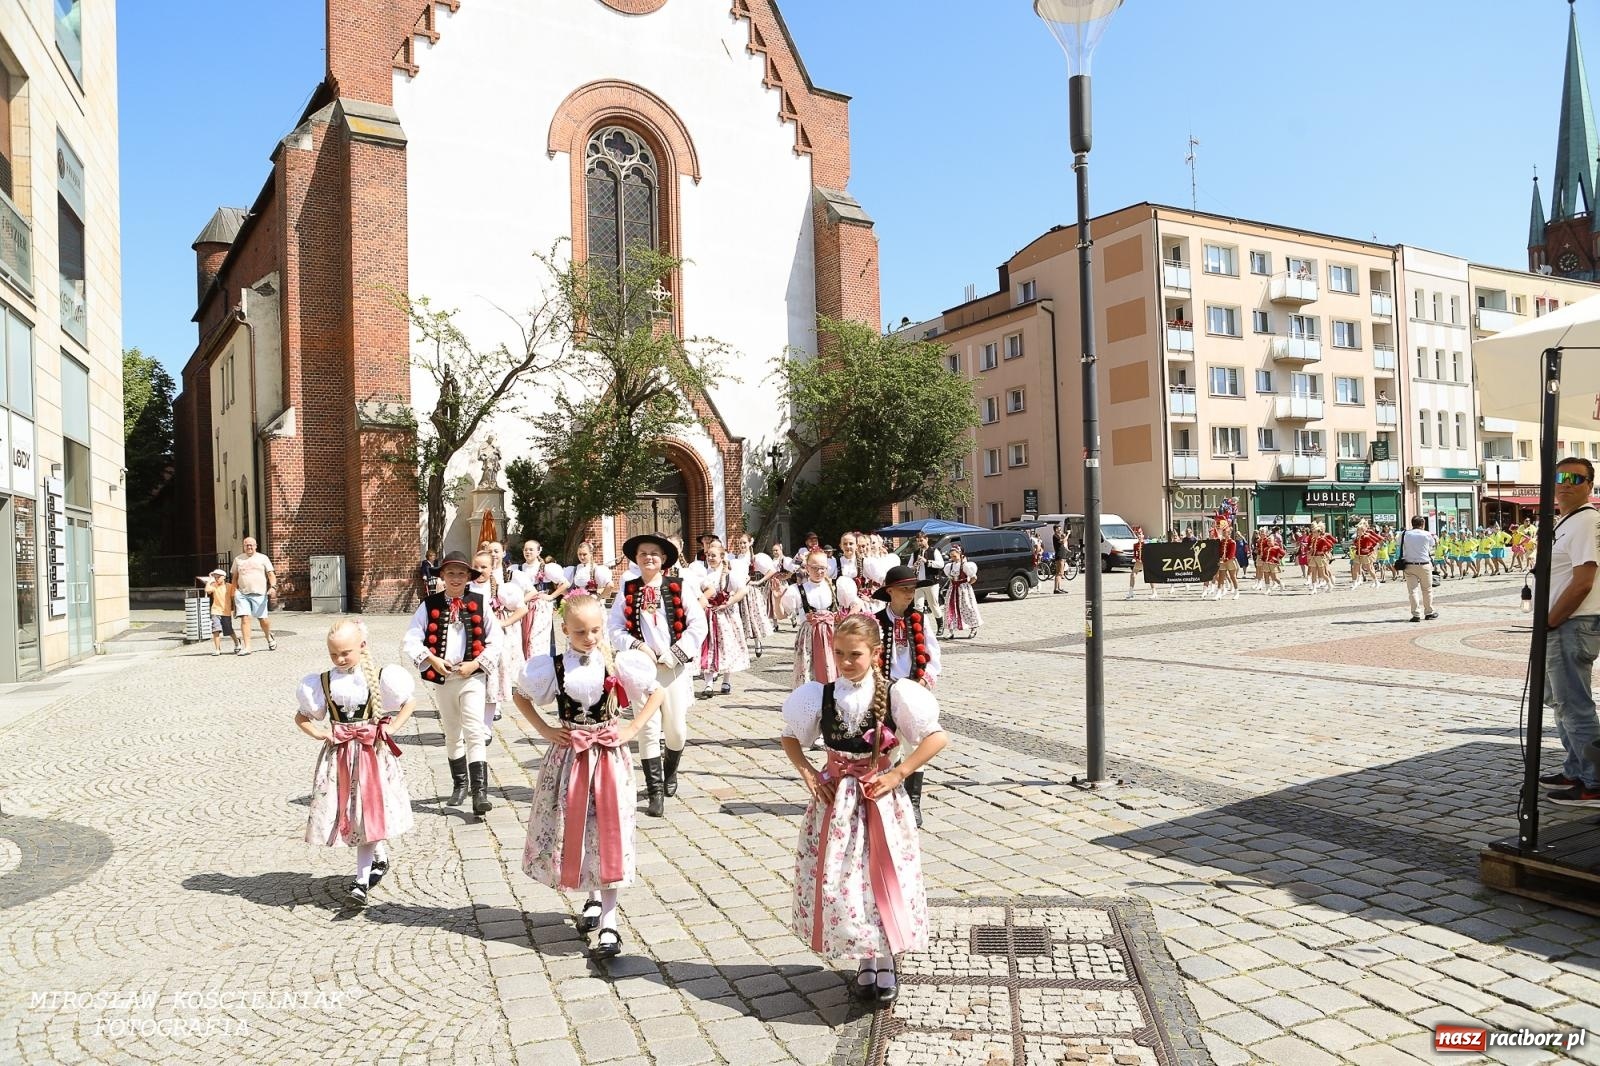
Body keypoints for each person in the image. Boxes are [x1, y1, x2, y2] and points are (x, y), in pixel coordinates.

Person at [781, 615, 947, 1005]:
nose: (845, 661)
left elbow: (937, 737)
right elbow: (790, 737)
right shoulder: (819, 695)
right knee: (847, 882)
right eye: (839, 653)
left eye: (854, 654)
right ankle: (864, 962)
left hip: (880, 802)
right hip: (837, 804)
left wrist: (898, 773)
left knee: (882, 877)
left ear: (875, 653)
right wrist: (809, 773)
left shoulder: (895, 694)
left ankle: (887, 960)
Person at [513, 595, 666, 958]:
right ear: (564, 630)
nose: (590, 637)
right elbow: (520, 696)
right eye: (580, 631)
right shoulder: (552, 667)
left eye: (596, 630)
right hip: (569, 759)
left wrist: (632, 731)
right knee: (578, 828)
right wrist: (546, 730)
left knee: (609, 833)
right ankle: (593, 899)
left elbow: (656, 693)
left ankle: (611, 922)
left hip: (610, 758)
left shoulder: (620, 664)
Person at [296, 617, 416, 905]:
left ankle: (361, 882)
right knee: (353, 811)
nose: (339, 659)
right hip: (340, 758)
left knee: (365, 811)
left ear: (362, 646)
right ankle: (380, 856)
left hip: (371, 755)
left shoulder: (380, 676)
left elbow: (409, 702)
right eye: (334, 654)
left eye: (345, 652)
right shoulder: (324, 682)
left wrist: (392, 728)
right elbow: (301, 716)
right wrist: (319, 733)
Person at [606, 533, 708, 817]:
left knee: (675, 729)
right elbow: (614, 628)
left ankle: (670, 771)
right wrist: (637, 646)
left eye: (654, 553)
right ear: (636, 559)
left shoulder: (679, 587)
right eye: (643, 554)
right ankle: (655, 792)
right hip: (642, 669)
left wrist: (677, 652)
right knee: (647, 728)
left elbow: (698, 625)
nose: (648, 558)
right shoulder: (627, 589)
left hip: (672, 667)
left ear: (663, 559)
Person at [402, 551, 503, 816]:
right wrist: (432, 659)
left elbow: (496, 640)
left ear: (469, 577)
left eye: (461, 573)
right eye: (450, 573)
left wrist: (477, 663)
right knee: (451, 730)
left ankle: (480, 792)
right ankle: (460, 785)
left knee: (474, 728)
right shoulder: (429, 605)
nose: (456, 578)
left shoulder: (481, 603)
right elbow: (411, 640)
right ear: (442, 577)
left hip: (472, 677)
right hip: (444, 678)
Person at [1539, 458, 1600, 807]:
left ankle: (1594, 782)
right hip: (1564, 623)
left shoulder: (1586, 522)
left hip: (1570, 624)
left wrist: (1551, 620)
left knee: (1575, 706)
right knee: (1559, 701)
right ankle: (1576, 769)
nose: (1564, 483)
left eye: (1575, 478)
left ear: (1589, 485)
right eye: (1559, 476)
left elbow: (1583, 581)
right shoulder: (1568, 521)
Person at [871, 565, 942, 828]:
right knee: (889, 745)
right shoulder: (876, 620)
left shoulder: (920, 620)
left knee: (916, 744)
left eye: (912, 590)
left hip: (913, 690)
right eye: (904, 590)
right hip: (886, 693)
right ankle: (888, 795)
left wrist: (925, 678)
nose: (909, 594)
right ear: (889, 591)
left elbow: (933, 656)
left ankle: (913, 801)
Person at [780, 550, 861, 686]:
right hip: (809, 637)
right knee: (810, 672)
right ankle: (812, 700)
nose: (819, 572)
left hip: (833, 635)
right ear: (807, 568)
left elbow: (857, 603)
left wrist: (846, 621)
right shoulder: (798, 590)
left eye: (822, 568)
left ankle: (833, 700)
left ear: (827, 568)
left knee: (834, 667)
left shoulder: (836, 587)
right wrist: (777, 599)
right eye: (814, 568)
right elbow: (781, 614)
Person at [473, 548, 527, 727]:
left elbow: (522, 609)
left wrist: (503, 623)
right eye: (476, 567)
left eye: (484, 567)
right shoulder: (467, 588)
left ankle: (487, 725)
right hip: (472, 641)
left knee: (492, 681)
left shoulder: (501, 590)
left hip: (493, 643)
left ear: (491, 568)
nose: (479, 571)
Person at [697, 539, 751, 697]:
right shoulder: (704, 574)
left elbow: (743, 590)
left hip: (725, 617)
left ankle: (726, 680)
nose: (710, 558)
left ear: (721, 557)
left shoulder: (728, 574)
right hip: (708, 616)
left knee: (726, 647)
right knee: (708, 648)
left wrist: (727, 603)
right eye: (708, 555)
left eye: (713, 555)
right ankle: (708, 684)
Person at [230, 537, 278, 654]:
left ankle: (268, 636)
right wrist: (233, 592)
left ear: (256, 546)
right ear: (243, 546)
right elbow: (235, 577)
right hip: (242, 594)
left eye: (251, 545)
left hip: (259, 593)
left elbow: (271, 574)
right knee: (245, 619)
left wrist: (272, 587)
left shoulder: (263, 558)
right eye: (247, 545)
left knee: (263, 620)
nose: (249, 547)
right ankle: (247, 647)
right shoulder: (238, 559)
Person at [1397, 515, 1437, 623]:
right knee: (1427, 590)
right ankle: (1429, 612)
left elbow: (1398, 545)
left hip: (1409, 565)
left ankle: (1416, 614)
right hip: (1424, 564)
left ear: (1412, 523)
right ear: (1422, 524)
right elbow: (1432, 545)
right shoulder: (1427, 534)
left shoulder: (1404, 534)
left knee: (1413, 591)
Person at [942, 545, 981, 638]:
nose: (952, 558)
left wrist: (967, 584)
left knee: (967, 607)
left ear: (960, 555)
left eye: (954, 556)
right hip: (953, 589)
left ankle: (973, 628)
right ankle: (950, 631)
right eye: (951, 556)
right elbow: (950, 577)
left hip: (963, 590)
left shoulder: (965, 566)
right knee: (950, 608)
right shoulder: (949, 566)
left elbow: (974, 577)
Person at [910, 534, 945, 628]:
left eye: (921, 540)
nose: (919, 543)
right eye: (917, 541)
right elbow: (909, 567)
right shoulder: (915, 553)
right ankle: (919, 628)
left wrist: (927, 562)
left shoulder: (934, 551)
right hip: (919, 583)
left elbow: (941, 564)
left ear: (926, 539)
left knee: (933, 605)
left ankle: (940, 626)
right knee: (918, 606)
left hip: (931, 582)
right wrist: (914, 566)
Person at [200, 568, 237, 655]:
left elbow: (233, 598)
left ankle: (236, 642)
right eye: (215, 577)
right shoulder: (214, 585)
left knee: (229, 630)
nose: (216, 579)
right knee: (215, 630)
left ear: (223, 577)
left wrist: (235, 609)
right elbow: (207, 590)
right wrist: (210, 580)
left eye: (218, 577)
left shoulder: (229, 586)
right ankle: (217, 649)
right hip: (215, 611)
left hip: (226, 611)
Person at [565, 540, 615, 604]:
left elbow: (610, 585)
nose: (581, 557)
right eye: (579, 554)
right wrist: (569, 597)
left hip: (592, 604)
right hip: (578, 603)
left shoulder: (596, 569)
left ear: (590, 554)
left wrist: (598, 598)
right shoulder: (575, 569)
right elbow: (561, 585)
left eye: (584, 554)